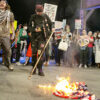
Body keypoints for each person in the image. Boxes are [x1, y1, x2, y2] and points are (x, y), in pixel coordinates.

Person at [28, 4, 52, 76]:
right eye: (38, 12)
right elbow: (29, 27)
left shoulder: (45, 16)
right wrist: (34, 29)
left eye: (41, 12)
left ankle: (40, 69)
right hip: (34, 38)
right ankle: (34, 68)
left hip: (42, 38)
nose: (39, 13)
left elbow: (51, 24)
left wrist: (51, 29)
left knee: (40, 54)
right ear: (35, 11)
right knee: (34, 53)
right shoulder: (33, 16)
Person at [0, 0, 15, 71]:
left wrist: (13, 34)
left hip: (5, 35)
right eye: (0, 2)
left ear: (6, 4)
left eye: (4, 2)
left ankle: (8, 64)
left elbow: (12, 25)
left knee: (8, 51)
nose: (2, 3)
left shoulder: (10, 14)